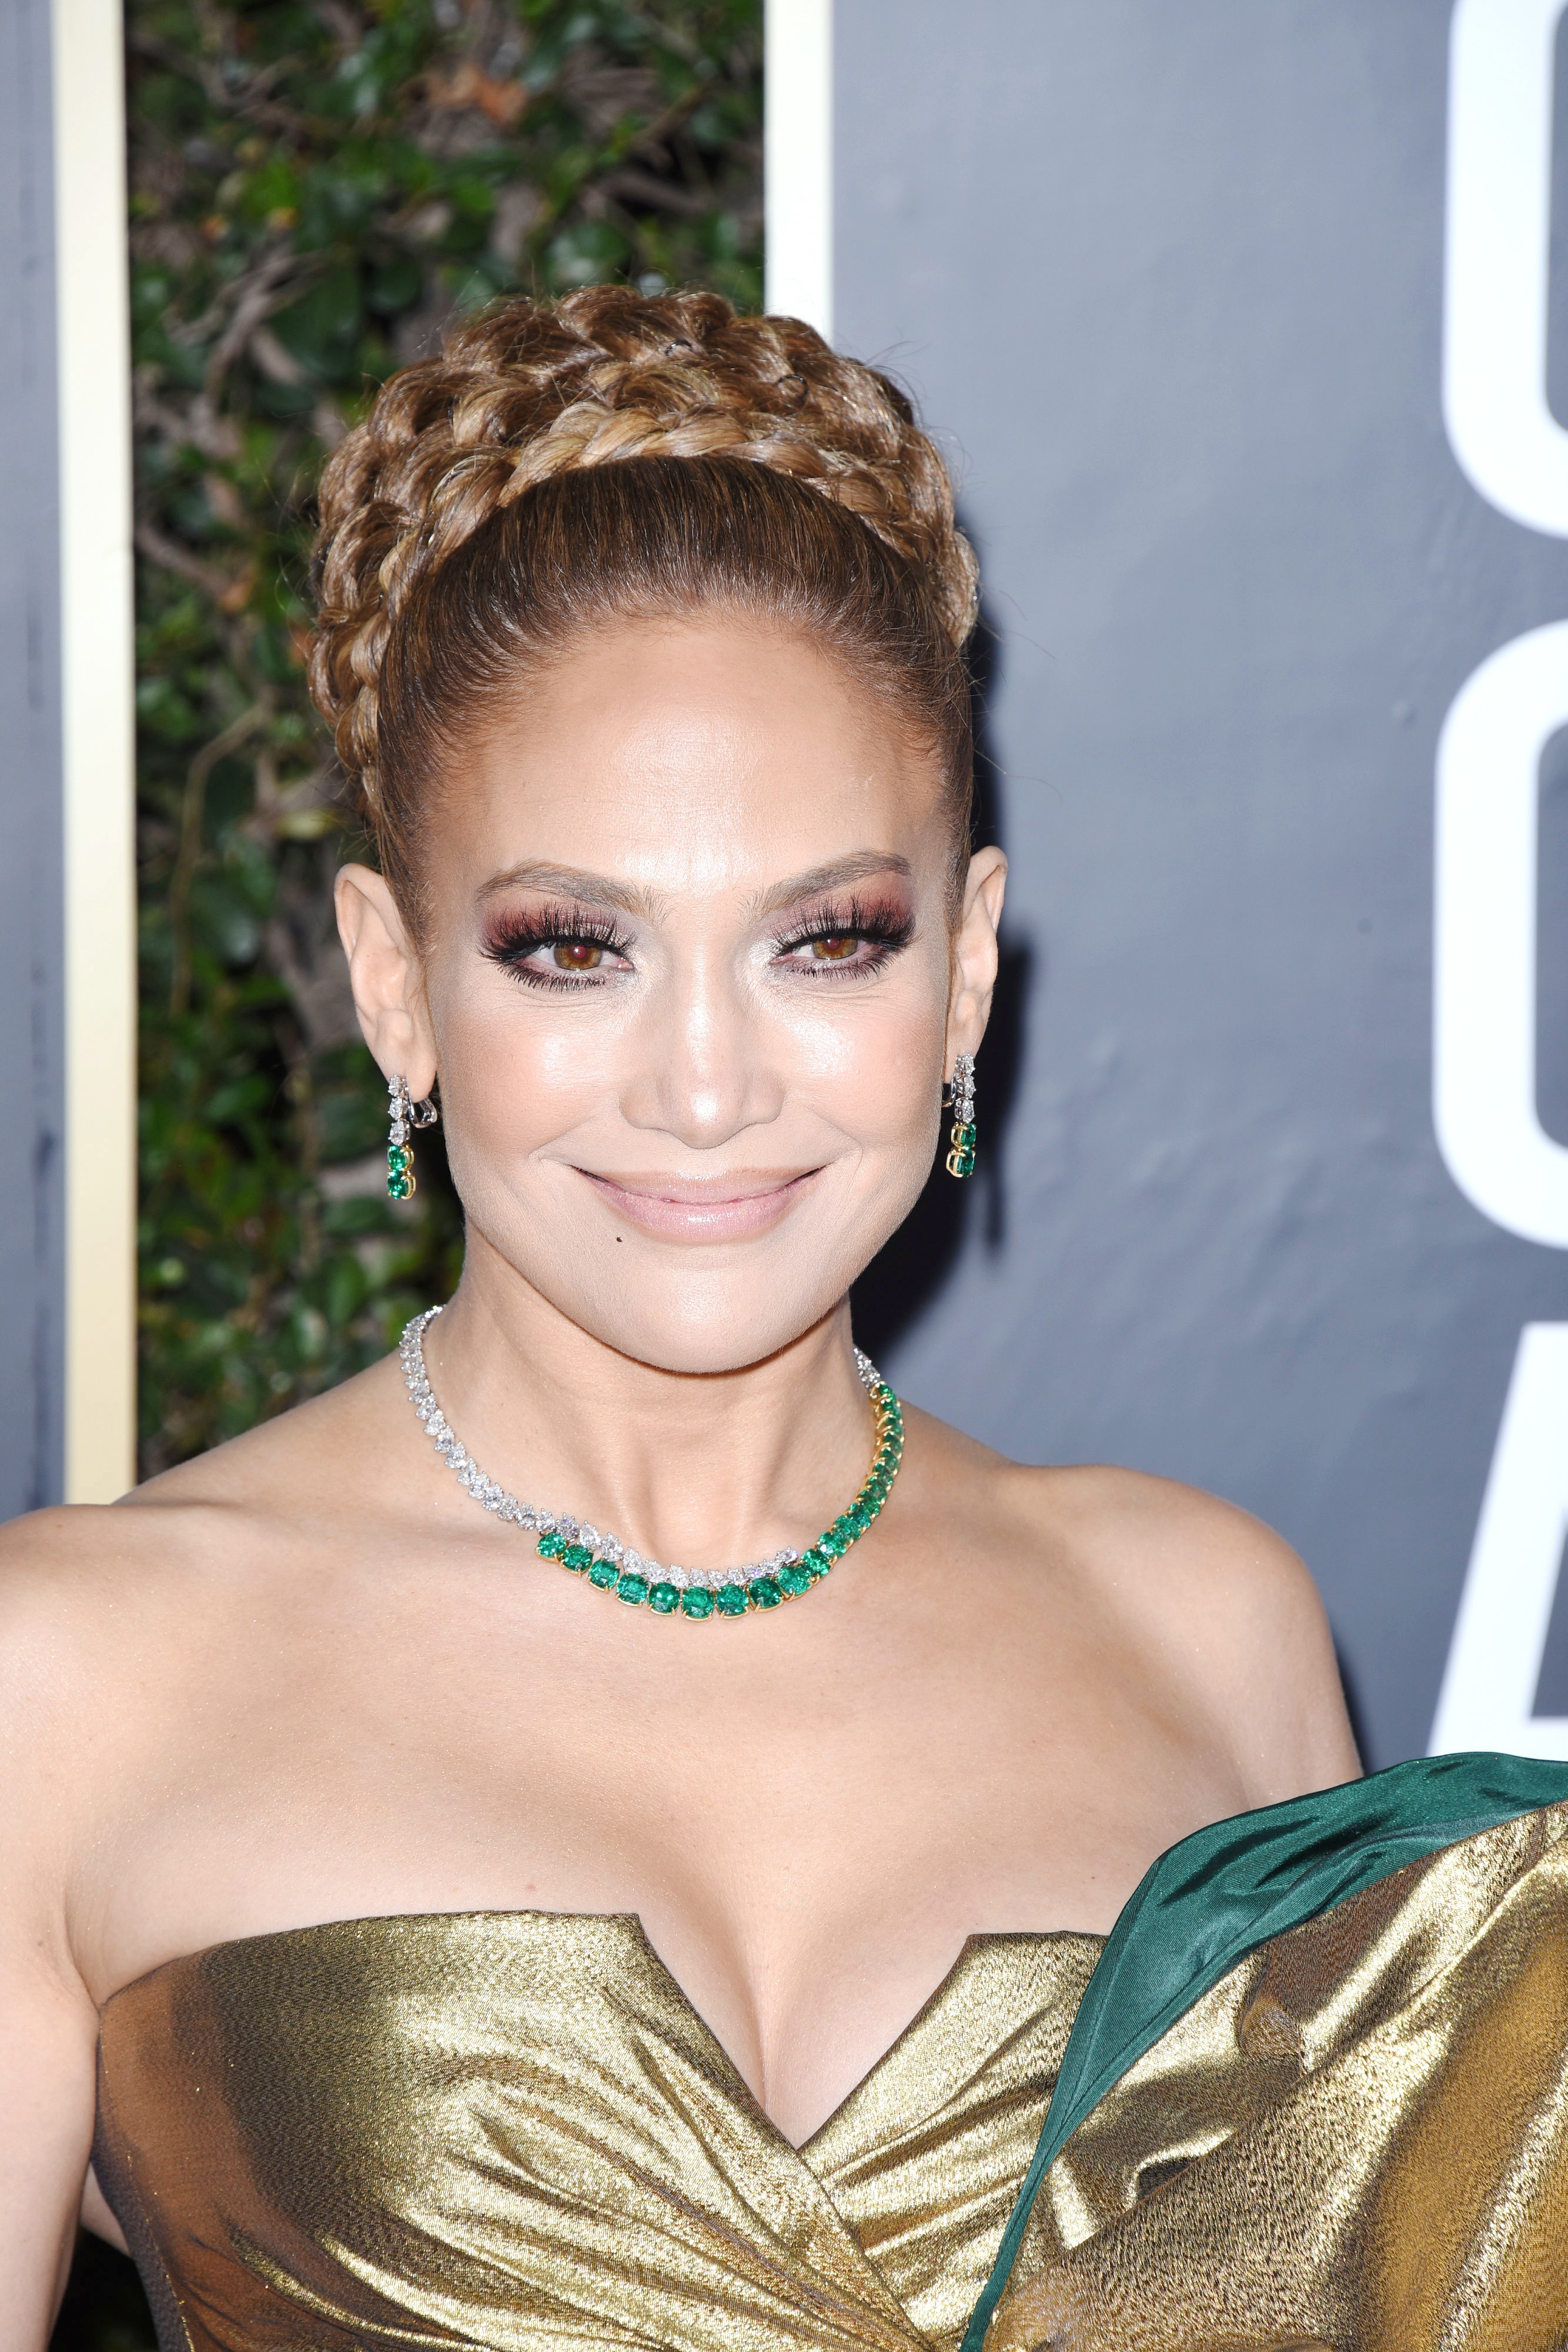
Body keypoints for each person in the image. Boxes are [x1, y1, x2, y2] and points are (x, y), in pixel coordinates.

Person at [2, 287, 1564, 2352]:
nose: (710, 1085)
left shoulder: (1208, 1626)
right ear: (395, 983)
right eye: (575, 949)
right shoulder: (73, 1676)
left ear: (970, 969)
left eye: (827, 941)